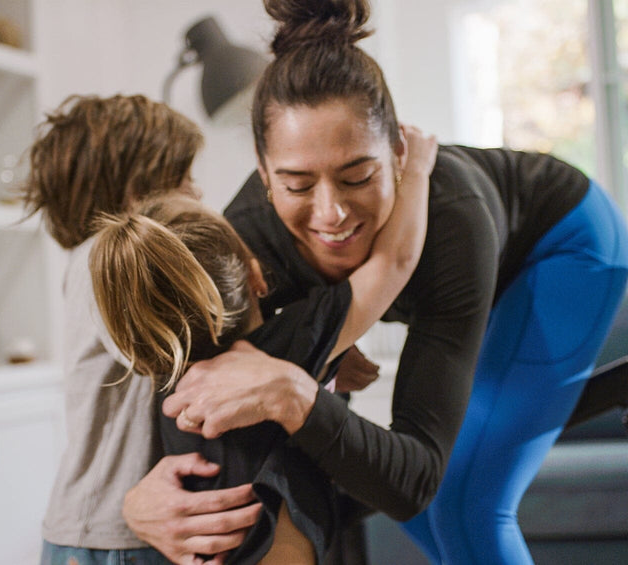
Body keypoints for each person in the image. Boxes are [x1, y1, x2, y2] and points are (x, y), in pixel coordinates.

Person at [124, 1, 628, 564]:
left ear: (398, 155)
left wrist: (297, 393)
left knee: (463, 503)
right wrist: (140, 499)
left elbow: (414, 478)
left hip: (562, 246)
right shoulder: (246, 238)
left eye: (357, 176)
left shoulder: (450, 220)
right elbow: (187, 371)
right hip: (478, 270)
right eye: (296, 184)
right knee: (400, 496)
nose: (331, 213)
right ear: (264, 176)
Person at [89, 124, 435, 565]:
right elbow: (395, 260)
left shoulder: (169, 379)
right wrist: (418, 167)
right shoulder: (286, 342)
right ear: (256, 274)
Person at [22, 93, 236, 565]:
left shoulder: (93, 258)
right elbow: (172, 352)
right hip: (107, 542)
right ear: (137, 194)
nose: (197, 195)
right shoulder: (106, 257)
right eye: (184, 179)